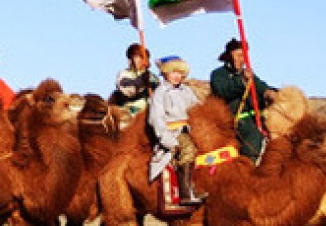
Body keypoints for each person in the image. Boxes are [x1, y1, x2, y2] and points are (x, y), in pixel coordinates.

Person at [148, 55, 204, 214]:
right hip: (173, 131)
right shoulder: (160, 93)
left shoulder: (187, 91)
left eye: (180, 73)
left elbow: (197, 109)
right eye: (173, 72)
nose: (177, 76)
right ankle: (185, 194)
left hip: (191, 129)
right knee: (187, 149)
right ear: (166, 73)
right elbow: (156, 119)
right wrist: (167, 139)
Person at [210, 38, 276, 160]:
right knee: (253, 140)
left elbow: (261, 87)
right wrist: (242, 81)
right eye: (239, 55)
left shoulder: (249, 75)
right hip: (236, 122)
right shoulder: (218, 75)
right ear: (229, 56)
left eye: (244, 56)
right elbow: (223, 91)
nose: (243, 59)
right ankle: (249, 169)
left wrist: (271, 93)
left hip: (256, 119)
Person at [110, 43, 156, 116]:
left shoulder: (151, 76)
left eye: (142, 57)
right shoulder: (123, 74)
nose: (140, 60)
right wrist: (141, 80)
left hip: (150, 112)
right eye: (136, 57)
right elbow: (128, 90)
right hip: (130, 112)